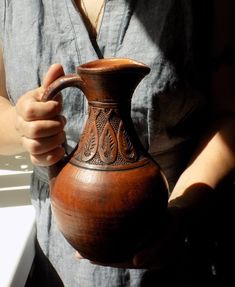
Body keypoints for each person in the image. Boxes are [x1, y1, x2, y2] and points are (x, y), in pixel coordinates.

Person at [0, 0, 235, 286]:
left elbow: (228, 113)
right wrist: (20, 125)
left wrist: (184, 209)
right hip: (55, 256)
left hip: (181, 247)